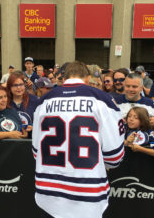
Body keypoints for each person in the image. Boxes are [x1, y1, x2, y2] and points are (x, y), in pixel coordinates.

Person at [32, 61, 125, 218]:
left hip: (48, 190)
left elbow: (36, 152)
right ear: (87, 78)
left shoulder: (43, 101)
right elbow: (114, 156)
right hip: (88, 191)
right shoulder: (102, 99)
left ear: (64, 77)